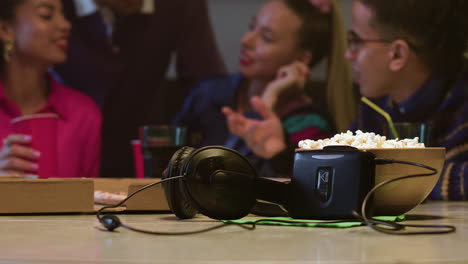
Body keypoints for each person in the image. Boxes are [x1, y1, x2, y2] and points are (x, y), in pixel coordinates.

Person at [173, 0, 356, 178]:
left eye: (266, 38)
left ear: (302, 58)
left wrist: (269, 98)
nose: (246, 40)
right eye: (252, 27)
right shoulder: (209, 93)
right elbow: (171, 159)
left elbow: (233, 180)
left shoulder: (309, 125)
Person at [53, 0, 227, 178]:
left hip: (142, 156)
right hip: (58, 148)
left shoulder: (181, 5)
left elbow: (208, 89)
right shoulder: (54, 9)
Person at [346, 0, 468, 200]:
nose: (348, 54)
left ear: (398, 54)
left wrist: (394, 179)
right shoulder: (375, 107)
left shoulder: (461, 104)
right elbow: (345, 171)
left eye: (356, 41)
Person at [0, 0, 101, 178]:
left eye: (64, 15)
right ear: (5, 30)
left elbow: (91, 201)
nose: (66, 25)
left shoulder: (83, 113)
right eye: (46, 15)